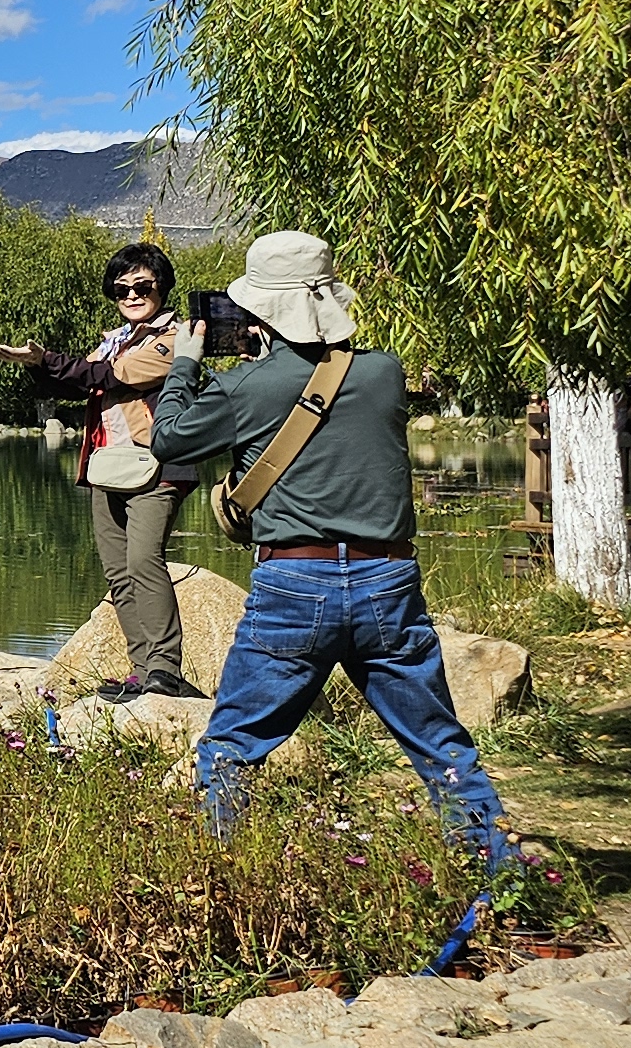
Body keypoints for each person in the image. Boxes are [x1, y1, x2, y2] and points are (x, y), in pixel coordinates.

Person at [152, 230, 506, 856]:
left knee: (231, 748)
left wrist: (185, 363)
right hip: (388, 584)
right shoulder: (384, 374)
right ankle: (496, 879)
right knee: (440, 745)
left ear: (260, 310)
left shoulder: (246, 387)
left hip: (293, 585)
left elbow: (169, 440)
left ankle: (227, 880)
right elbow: (332, 385)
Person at [0, 243, 194, 698]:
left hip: (157, 469)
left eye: (142, 286)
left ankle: (165, 669)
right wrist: (36, 366)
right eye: (121, 289)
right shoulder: (115, 340)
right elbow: (79, 383)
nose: (131, 295)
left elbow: (110, 376)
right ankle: (142, 672)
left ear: (162, 287)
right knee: (118, 573)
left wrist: (47, 360)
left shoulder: (176, 339)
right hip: (109, 467)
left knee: (144, 562)